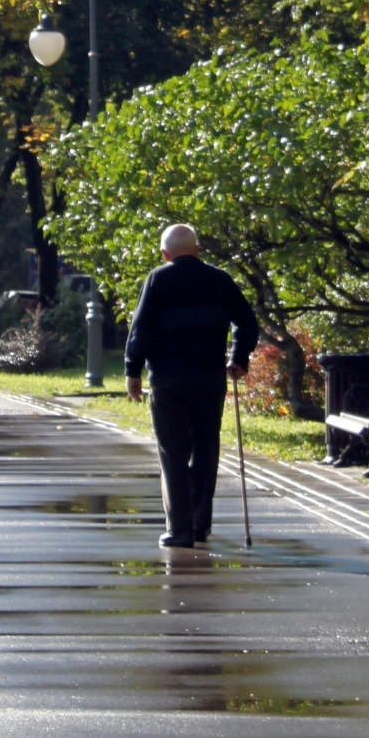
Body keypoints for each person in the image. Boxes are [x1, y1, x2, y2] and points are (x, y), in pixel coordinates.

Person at [125, 223, 257, 548]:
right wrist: (238, 358)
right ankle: (200, 525)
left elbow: (141, 329)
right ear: (197, 251)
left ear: (164, 253)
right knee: (205, 448)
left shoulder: (158, 278)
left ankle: (179, 530)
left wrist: (133, 371)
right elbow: (247, 321)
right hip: (209, 378)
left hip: (168, 379)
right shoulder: (220, 280)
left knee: (173, 451)